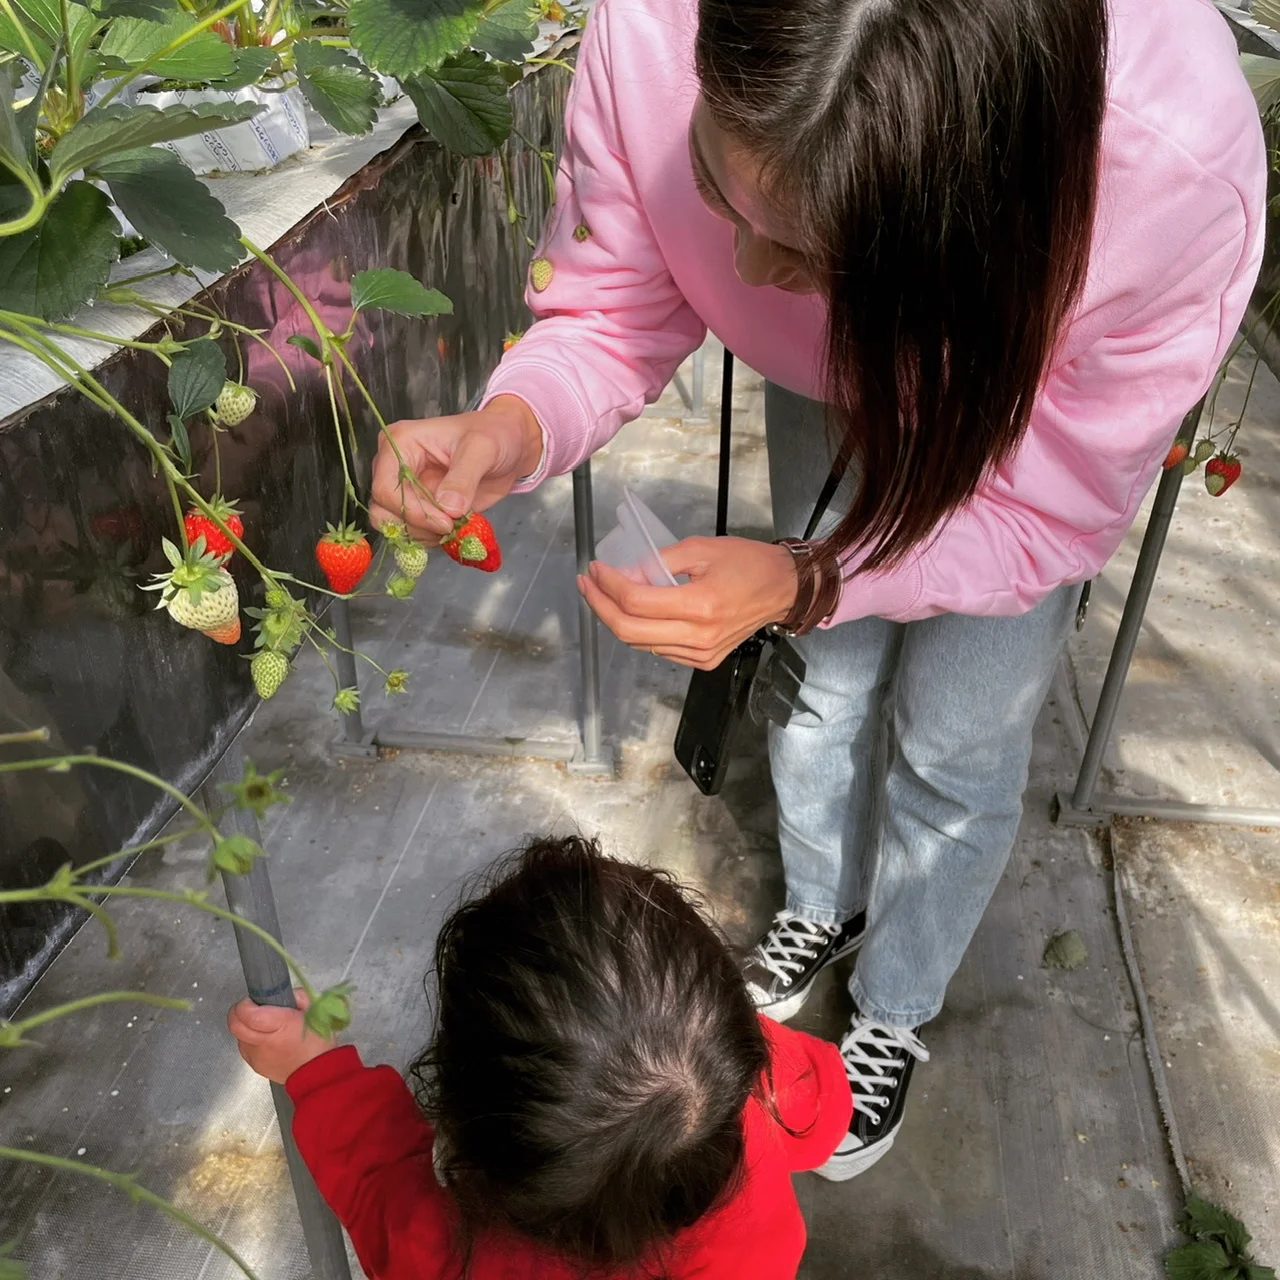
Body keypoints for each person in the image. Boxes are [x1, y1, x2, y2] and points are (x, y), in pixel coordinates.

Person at [368, 0, 1266, 1178]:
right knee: (818, 679)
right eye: (716, 188)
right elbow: (616, 297)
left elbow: (1047, 509)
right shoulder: (646, 29)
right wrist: (513, 421)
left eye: (812, 254)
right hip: (840, 378)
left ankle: (892, 1006)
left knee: (959, 734)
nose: (742, 275)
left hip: (1020, 421)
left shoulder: (1170, 178)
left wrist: (808, 574)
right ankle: (820, 899)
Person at [227, 836, 854, 1279]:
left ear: (471, 1115)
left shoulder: (458, 1258)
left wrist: (315, 1073)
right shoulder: (766, 1089)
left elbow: (379, 1185)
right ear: (727, 1025)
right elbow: (827, 1110)